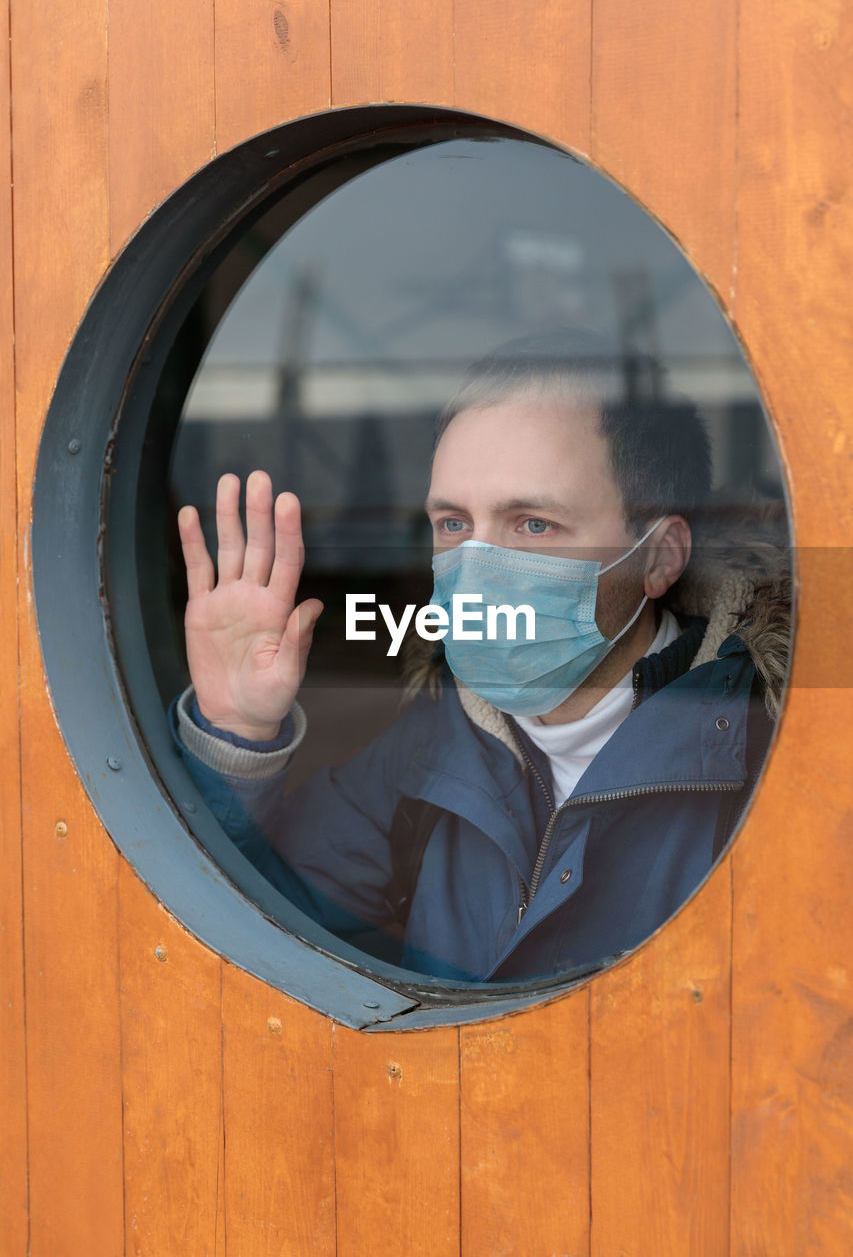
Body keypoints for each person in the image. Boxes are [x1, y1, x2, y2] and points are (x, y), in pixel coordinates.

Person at [171, 335, 790, 982]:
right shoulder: (424, 751)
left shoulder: (776, 753)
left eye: (532, 524)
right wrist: (236, 733)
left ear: (659, 557)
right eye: (453, 524)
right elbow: (254, 928)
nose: (474, 571)